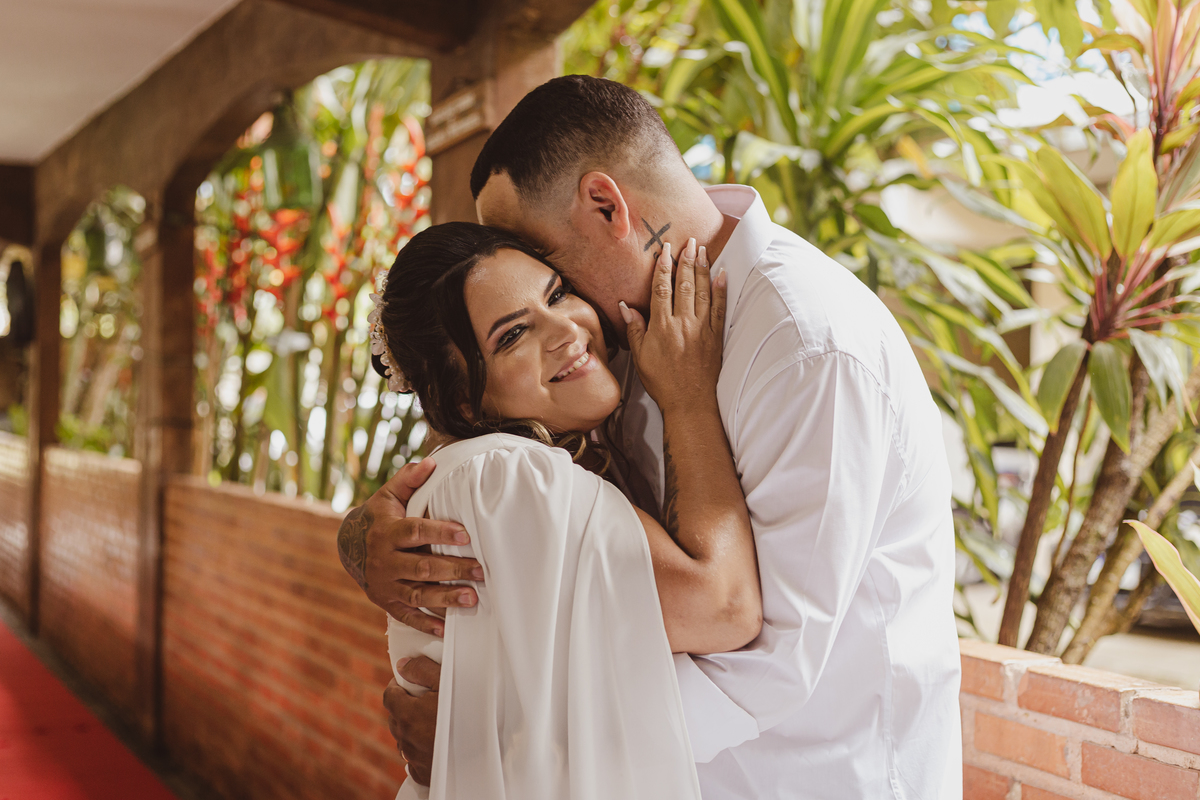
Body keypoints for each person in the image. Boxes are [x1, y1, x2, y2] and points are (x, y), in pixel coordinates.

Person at [340, 75, 963, 799]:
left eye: (546, 267)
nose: (561, 316)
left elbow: (767, 657)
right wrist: (361, 541)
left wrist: (494, 739)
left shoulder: (807, 348)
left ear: (608, 206)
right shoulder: (616, 341)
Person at [353, 220, 762, 798]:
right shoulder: (506, 476)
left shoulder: (484, 470)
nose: (566, 329)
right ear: (464, 398)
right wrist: (689, 398)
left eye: (556, 294)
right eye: (513, 335)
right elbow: (723, 606)